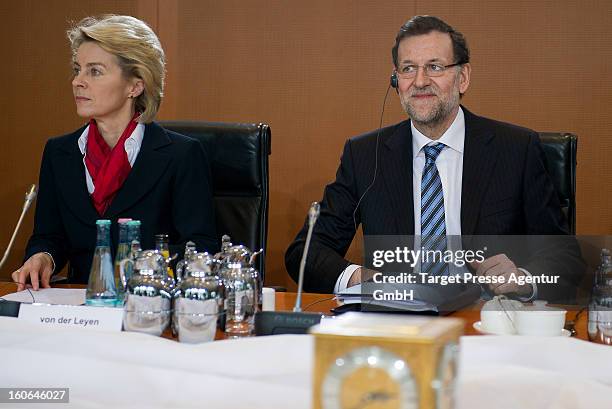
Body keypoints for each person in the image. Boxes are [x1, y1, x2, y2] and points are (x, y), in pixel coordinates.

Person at [286, 15, 583, 302]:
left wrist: (523, 277)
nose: (420, 81)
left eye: (435, 67)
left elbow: (565, 257)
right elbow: (306, 252)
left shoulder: (516, 149)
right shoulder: (365, 155)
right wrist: (363, 279)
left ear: (462, 77)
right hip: (397, 324)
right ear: (396, 79)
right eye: (408, 68)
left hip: (486, 322)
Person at [12, 15, 217, 291]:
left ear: (135, 85)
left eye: (94, 71)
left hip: (148, 305)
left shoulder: (181, 156)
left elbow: (200, 247)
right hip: (80, 308)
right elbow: (49, 236)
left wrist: (145, 273)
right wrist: (43, 256)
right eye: (77, 69)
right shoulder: (59, 153)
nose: (77, 82)